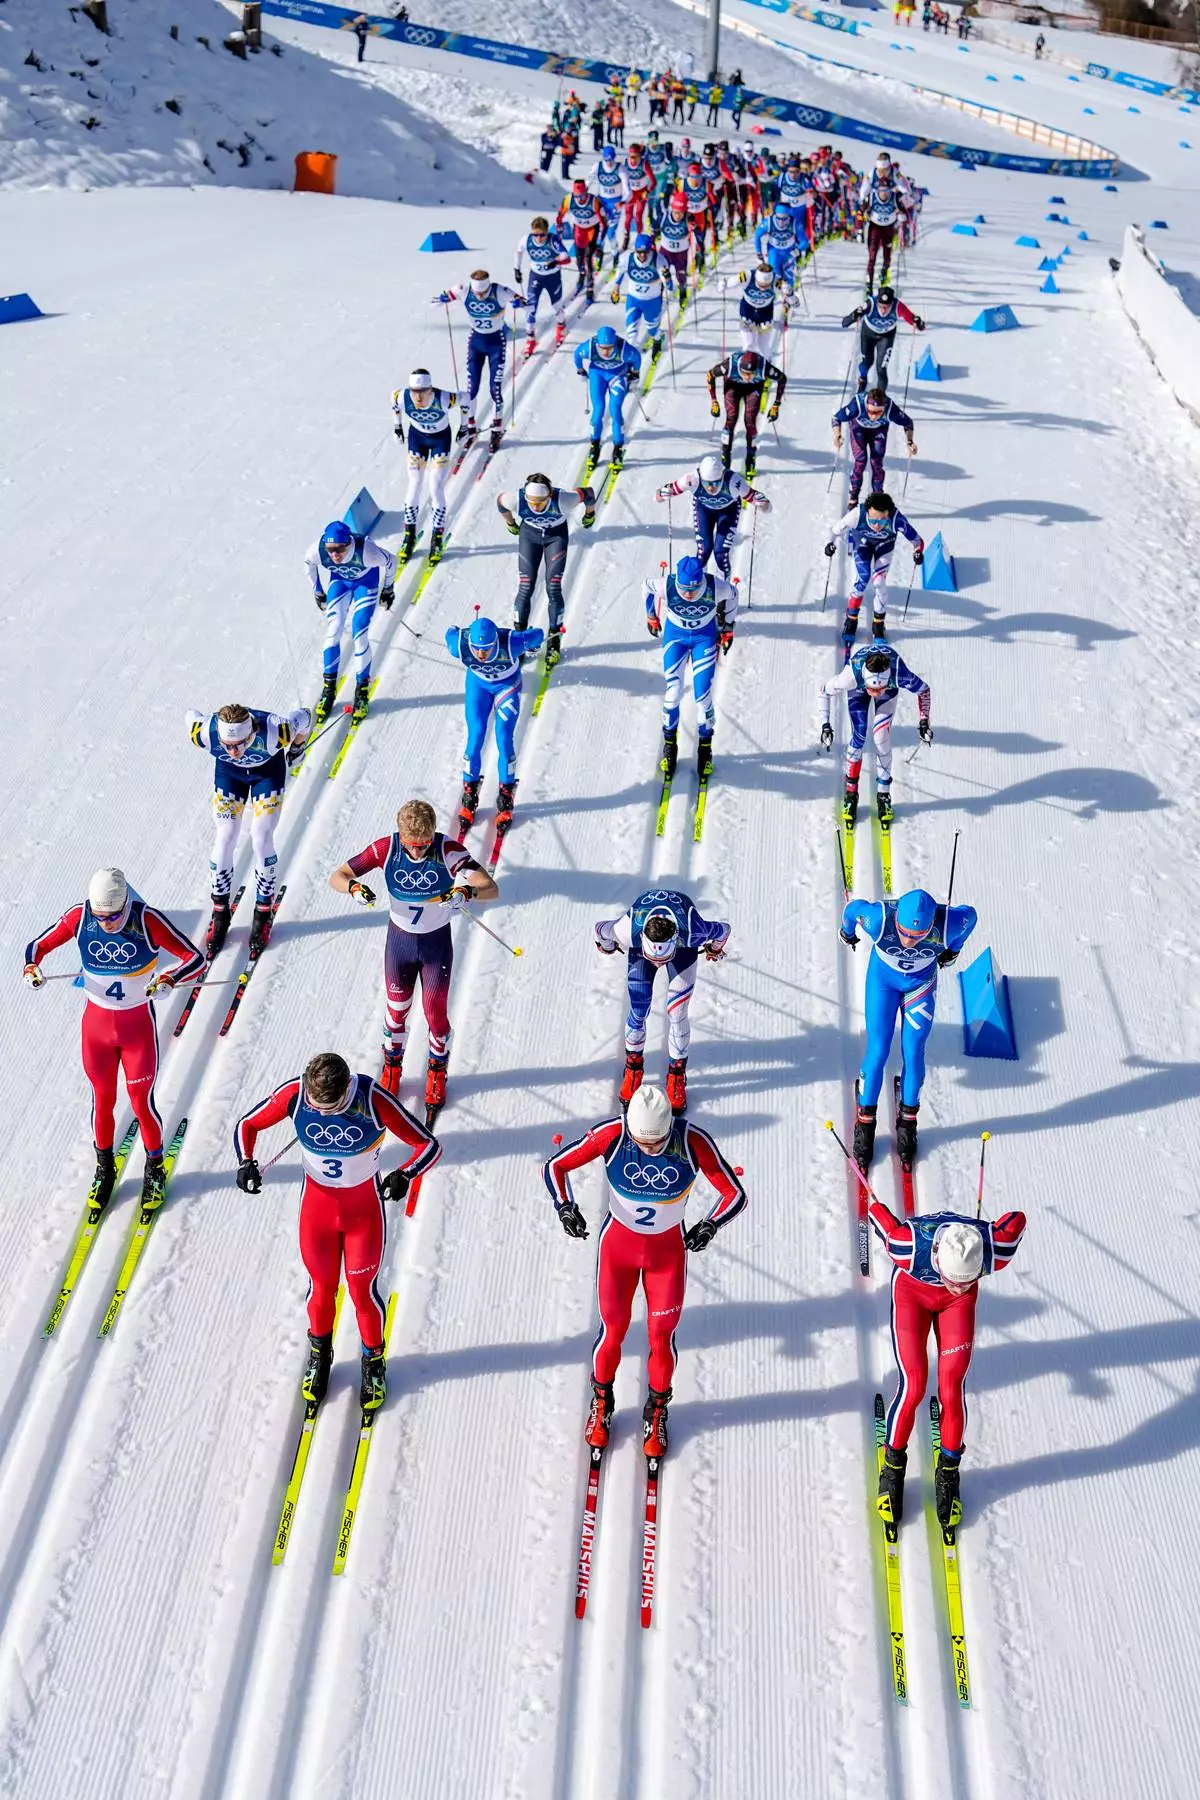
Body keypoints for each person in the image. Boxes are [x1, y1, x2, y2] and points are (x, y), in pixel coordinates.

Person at [543, 1083, 746, 1457]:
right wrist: (565, 1206)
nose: (649, 1150)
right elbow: (556, 1165)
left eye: (656, 1143)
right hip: (618, 1252)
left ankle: (657, 1410)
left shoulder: (691, 1141)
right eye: (642, 1143)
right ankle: (602, 1403)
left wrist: (711, 1224)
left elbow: (734, 1192)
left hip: (666, 1258)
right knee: (613, 1331)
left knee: (660, 1337)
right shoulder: (614, 1134)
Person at [234, 1051, 441, 1412]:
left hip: (363, 1215)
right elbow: (246, 1125)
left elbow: (428, 1144)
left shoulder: (372, 1098)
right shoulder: (296, 1095)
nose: (327, 1115)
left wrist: (405, 1174)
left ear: (348, 1087)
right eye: (320, 1107)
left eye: (335, 1106)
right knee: (322, 1287)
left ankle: (373, 1364)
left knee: (362, 1292)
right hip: (317, 1214)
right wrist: (245, 1163)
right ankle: (319, 1355)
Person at [24, 868, 204, 1209]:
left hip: (137, 1030)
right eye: (100, 915)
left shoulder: (146, 921)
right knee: (102, 1099)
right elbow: (36, 947)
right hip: (96, 1030)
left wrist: (169, 978)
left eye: (114, 916)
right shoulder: (80, 917)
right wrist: (31, 968)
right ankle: (104, 1169)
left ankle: (155, 1168)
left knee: (140, 1102)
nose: (106, 922)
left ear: (126, 903)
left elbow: (194, 957)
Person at [328, 800, 499, 1108]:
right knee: (396, 1012)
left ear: (433, 834)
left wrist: (467, 891)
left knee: (435, 1013)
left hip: (435, 946)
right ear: (401, 836)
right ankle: (392, 1067)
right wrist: (353, 887)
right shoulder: (386, 849)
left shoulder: (447, 851)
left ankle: (437, 1069)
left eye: (424, 845)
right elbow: (337, 875)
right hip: (400, 944)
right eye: (412, 845)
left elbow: (490, 887)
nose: (418, 852)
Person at [871, 1199, 1026, 1526]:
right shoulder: (908, 1245)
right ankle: (893, 1467)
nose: (957, 1286)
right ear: (939, 1258)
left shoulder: (992, 1249)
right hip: (912, 1294)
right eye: (954, 1279)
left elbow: (1016, 1221)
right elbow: (880, 1218)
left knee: (951, 1388)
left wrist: (963, 1286)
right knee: (913, 1385)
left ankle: (948, 1474)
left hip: (956, 1307)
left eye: (967, 1280)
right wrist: (876, 1205)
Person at [840, 888, 978, 1173]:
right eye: (903, 932)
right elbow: (852, 910)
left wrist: (954, 948)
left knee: (914, 1052)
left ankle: (908, 1122)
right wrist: (847, 933)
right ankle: (865, 1124)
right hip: (884, 983)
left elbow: (972, 917)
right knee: (877, 1049)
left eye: (919, 935)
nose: (909, 941)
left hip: (920, 985)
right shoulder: (878, 918)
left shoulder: (949, 922)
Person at [186, 701, 312, 954]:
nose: (234, 752)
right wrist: (297, 748)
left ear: (254, 732)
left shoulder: (276, 730)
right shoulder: (204, 733)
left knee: (261, 837)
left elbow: (306, 716)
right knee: (225, 836)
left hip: (267, 776)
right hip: (230, 777)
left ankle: (262, 913)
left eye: (242, 744)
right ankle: (220, 915)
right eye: (227, 745)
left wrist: (297, 745)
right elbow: (190, 715)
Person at [594, 887, 731, 1109]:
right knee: (638, 1011)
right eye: (654, 958)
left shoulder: (693, 931)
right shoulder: (627, 930)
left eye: (664, 957)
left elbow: (723, 930)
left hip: (683, 946)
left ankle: (676, 1075)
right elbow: (600, 930)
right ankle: (633, 1068)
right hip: (647, 944)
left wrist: (607, 948)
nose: (659, 963)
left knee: (677, 1013)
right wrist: (714, 950)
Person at [444, 614, 543, 837]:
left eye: (487, 649)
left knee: (503, 737)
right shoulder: (458, 644)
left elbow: (537, 635)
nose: (481, 654)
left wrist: (534, 640)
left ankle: (505, 796)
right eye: (477, 648)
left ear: (495, 642)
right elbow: (450, 632)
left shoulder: (512, 643)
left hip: (506, 688)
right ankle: (469, 795)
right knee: (476, 735)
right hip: (478, 687)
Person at [819, 639, 931, 828]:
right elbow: (824, 691)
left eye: (880, 689)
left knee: (881, 737)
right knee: (859, 734)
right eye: (873, 689)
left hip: (886, 687)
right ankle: (851, 793)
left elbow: (924, 690)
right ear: (867, 681)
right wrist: (825, 725)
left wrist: (923, 721)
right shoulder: (850, 676)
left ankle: (884, 794)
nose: (877, 693)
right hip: (858, 688)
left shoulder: (898, 673)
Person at [644, 554, 738, 780]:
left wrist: (728, 627)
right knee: (673, 692)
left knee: (702, 695)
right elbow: (646, 586)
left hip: (703, 639)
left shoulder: (716, 586)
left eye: (693, 590)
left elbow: (734, 595)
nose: (687, 594)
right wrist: (651, 616)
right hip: (675, 638)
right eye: (684, 589)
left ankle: (705, 750)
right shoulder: (667, 585)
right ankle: (670, 747)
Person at [304, 519, 397, 722]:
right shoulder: (318, 549)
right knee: (333, 631)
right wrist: (318, 591)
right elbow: (309, 563)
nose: (335, 554)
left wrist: (388, 589)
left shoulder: (367, 552)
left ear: (349, 543)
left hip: (366, 583)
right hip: (340, 583)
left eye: (339, 549)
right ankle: (329, 690)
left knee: (359, 633)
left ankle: (362, 691)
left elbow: (391, 561)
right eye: (330, 549)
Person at [497, 474, 595, 657]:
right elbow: (500, 502)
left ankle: (554, 639)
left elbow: (588, 493)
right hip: (529, 536)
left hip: (555, 537)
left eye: (541, 502)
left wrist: (590, 513)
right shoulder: (515, 499)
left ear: (549, 496)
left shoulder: (565, 499)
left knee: (553, 587)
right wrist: (510, 522)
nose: (535, 506)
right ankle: (519, 639)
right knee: (525, 587)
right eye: (531, 501)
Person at [432, 272, 525, 452]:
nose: (480, 296)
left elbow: (525, 303)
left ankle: (496, 429)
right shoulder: (464, 290)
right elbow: (438, 300)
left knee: (494, 389)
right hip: (476, 343)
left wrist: (518, 303)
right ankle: (470, 427)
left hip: (496, 343)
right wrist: (442, 299)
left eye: (483, 293)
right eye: (478, 293)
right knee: (471, 390)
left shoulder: (500, 291)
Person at [824, 491, 923, 647]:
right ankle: (851, 619)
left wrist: (917, 552)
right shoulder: (857, 514)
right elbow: (835, 530)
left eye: (883, 521)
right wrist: (830, 544)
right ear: (868, 511)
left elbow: (917, 540)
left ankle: (878, 624)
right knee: (863, 579)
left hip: (884, 547)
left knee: (879, 581)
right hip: (862, 543)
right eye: (873, 520)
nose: (877, 525)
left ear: (888, 514)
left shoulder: (896, 518)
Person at [391, 371, 465, 565]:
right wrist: (397, 427)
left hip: (440, 440)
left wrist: (465, 426)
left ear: (430, 389)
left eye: (423, 391)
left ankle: (437, 539)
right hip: (417, 439)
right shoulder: (402, 396)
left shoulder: (443, 398)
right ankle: (409, 536)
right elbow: (394, 402)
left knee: (435, 487)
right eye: (415, 391)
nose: (419, 396)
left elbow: (466, 398)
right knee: (414, 484)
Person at [656, 452, 771, 577]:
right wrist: (662, 494)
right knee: (703, 551)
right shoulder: (692, 479)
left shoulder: (733, 481)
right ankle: (698, 586)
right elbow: (657, 496)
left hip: (728, 511)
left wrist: (763, 503)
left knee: (721, 553)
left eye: (716, 483)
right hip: (703, 510)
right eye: (707, 483)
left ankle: (724, 591)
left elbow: (765, 506)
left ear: (722, 476)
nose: (711, 488)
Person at [704, 348, 786, 479]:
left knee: (750, 421)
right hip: (733, 387)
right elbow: (710, 375)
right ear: (740, 368)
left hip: (753, 388)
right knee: (731, 418)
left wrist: (776, 405)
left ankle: (750, 460)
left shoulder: (764, 367)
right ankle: (725, 460)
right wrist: (714, 401)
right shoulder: (729, 365)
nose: (748, 377)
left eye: (751, 373)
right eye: (745, 373)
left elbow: (782, 378)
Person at [831, 387, 917, 506]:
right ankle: (854, 496)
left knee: (877, 463)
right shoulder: (857, 404)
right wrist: (837, 435)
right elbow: (836, 418)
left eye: (878, 412)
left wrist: (910, 441)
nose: (873, 416)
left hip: (878, 431)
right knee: (860, 460)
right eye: (870, 411)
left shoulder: (890, 408)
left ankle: (878, 498)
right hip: (858, 429)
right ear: (866, 405)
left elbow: (908, 422)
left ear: (884, 407)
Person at [574, 325, 641, 472]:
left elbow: (637, 358)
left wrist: (635, 374)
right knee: (598, 410)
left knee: (615, 410)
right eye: (602, 348)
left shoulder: (624, 349)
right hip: (597, 375)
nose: (605, 352)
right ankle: (595, 446)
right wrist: (580, 370)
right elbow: (577, 354)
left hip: (617, 375)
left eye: (609, 348)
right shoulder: (590, 347)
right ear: (597, 343)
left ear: (614, 344)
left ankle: (618, 449)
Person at [840, 286, 925, 394]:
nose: (884, 310)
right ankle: (863, 380)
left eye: (887, 306)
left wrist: (918, 323)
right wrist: (853, 317)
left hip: (886, 336)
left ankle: (880, 397)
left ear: (891, 303)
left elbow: (916, 323)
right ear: (877, 302)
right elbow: (845, 322)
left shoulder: (898, 306)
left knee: (881, 368)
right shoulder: (870, 303)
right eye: (881, 306)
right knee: (866, 363)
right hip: (868, 334)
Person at [514, 215, 571, 355]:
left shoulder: (553, 240)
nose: (538, 238)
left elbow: (566, 257)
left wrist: (556, 261)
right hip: (536, 277)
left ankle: (561, 327)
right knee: (530, 308)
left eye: (542, 235)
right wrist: (517, 269)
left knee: (556, 305)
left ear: (547, 232)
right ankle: (531, 339)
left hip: (553, 277)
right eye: (535, 235)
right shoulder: (526, 240)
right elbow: (518, 251)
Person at [610, 232, 667, 358]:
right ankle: (631, 362)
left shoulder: (659, 260)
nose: (642, 255)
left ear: (649, 250)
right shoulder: (627, 258)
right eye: (639, 252)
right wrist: (616, 289)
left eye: (645, 252)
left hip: (652, 301)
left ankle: (658, 338)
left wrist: (667, 278)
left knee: (652, 330)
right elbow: (619, 273)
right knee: (631, 334)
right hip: (633, 300)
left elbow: (670, 287)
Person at [726, 261, 791, 363]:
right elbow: (731, 281)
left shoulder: (776, 281)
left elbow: (789, 294)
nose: (763, 289)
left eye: (766, 286)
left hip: (765, 314)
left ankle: (767, 366)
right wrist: (724, 284)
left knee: (763, 346)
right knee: (748, 344)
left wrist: (789, 294)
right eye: (760, 285)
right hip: (747, 312)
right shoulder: (747, 276)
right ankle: (747, 369)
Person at [558, 179, 605, 300]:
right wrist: (559, 226)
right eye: (576, 195)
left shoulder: (594, 201)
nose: (579, 198)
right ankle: (581, 274)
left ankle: (590, 287)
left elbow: (604, 223)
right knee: (579, 259)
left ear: (586, 192)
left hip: (592, 230)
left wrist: (600, 243)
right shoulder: (569, 199)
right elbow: (560, 214)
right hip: (579, 229)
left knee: (588, 258)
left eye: (582, 195)